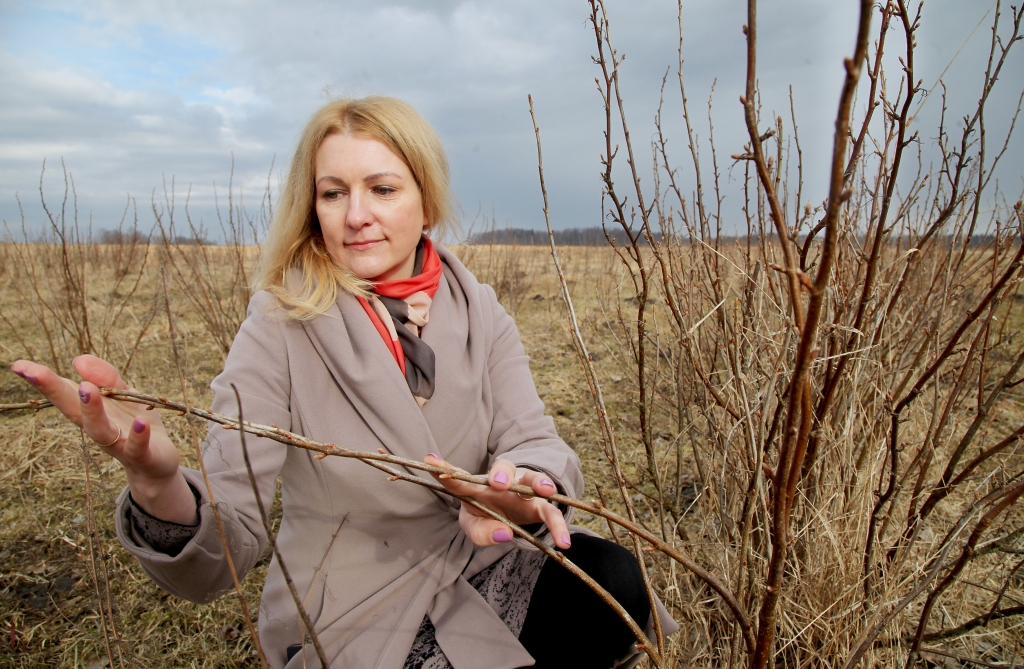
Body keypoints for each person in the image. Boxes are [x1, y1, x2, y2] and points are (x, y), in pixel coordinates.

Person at [11, 96, 675, 669]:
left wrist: (517, 490)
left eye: (382, 188)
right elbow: (228, 540)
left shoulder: (479, 306)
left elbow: (534, 438)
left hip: (476, 565)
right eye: (334, 192)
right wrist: (157, 482)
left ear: (426, 199)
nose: (356, 214)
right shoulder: (281, 323)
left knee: (610, 577)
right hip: (354, 607)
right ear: (313, 206)